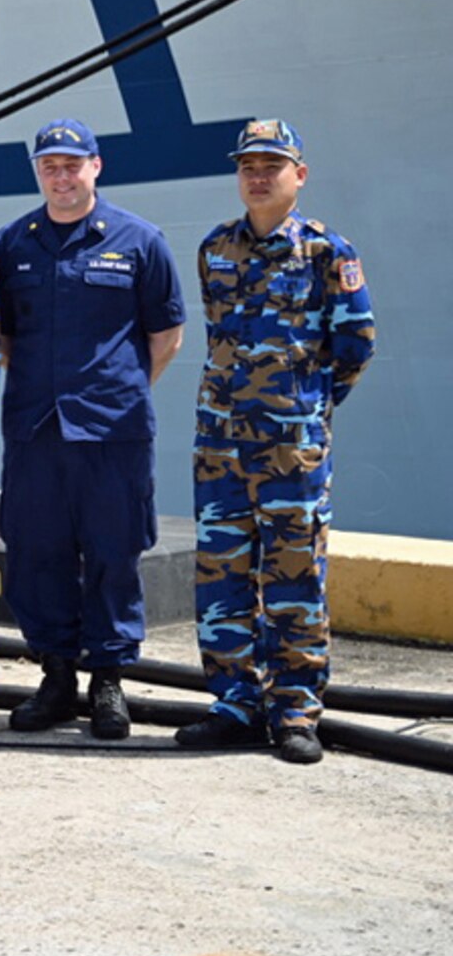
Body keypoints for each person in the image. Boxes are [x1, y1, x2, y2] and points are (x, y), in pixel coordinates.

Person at [178, 120, 374, 766]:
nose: (258, 176)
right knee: (222, 577)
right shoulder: (215, 248)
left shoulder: (326, 252)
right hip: (221, 444)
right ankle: (234, 705)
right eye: (248, 166)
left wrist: (305, 406)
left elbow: (354, 346)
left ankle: (294, 710)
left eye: (272, 165)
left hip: (292, 450)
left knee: (293, 579)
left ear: (299, 173)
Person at [0, 118, 184, 740]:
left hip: (113, 430)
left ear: (95, 167)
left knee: (113, 552)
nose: (62, 175)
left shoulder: (140, 241)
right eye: (50, 166)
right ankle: (55, 677)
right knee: (36, 552)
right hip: (36, 430)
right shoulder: (11, 244)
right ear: (38, 173)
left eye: (73, 164)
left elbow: (165, 336)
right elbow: (4, 339)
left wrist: (113, 391)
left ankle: (108, 681)